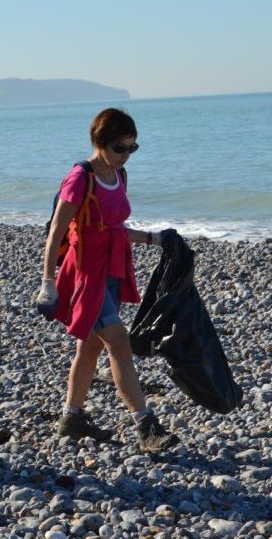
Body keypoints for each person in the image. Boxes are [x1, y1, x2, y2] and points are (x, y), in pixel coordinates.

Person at [35, 108, 179, 453]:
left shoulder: (120, 175)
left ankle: (72, 419)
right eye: (119, 147)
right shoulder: (80, 178)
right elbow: (56, 231)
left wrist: (154, 238)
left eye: (132, 148)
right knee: (119, 342)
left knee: (91, 346)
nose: (126, 154)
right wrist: (47, 281)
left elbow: (113, 230)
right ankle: (147, 428)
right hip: (85, 276)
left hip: (112, 271)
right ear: (98, 142)